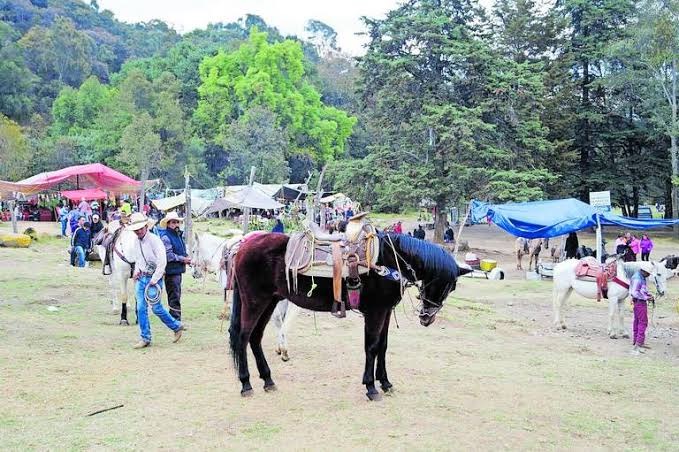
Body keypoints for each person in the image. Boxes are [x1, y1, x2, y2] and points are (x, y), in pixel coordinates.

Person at [127, 212, 185, 348]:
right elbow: (138, 259)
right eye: (136, 230)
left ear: (146, 226)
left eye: (140, 228)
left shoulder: (154, 240)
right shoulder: (136, 241)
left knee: (156, 308)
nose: (138, 231)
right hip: (142, 278)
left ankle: (176, 326)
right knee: (141, 307)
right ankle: (145, 337)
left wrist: (155, 279)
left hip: (154, 279)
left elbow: (162, 261)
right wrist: (136, 271)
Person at [158, 211, 191, 321]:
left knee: (176, 295)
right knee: (174, 296)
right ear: (168, 224)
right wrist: (184, 259)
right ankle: (175, 321)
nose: (176, 224)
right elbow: (169, 256)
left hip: (177, 270)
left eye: (177, 222)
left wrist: (186, 257)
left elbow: (180, 251)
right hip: (171, 271)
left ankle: (176, 320)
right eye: (173, 222)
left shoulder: (178, 235)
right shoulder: (166, 237)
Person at [629, 262, 655, 353]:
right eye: (648, 273)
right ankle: (639, 343)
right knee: (643, 322)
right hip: (640, 302)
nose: (648, 275)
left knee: (637, 321)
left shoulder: (641, 277)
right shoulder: (638, 278)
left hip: (638, 302)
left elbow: (641, 290)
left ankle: (636, 341)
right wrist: (646, 297)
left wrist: (647, 294)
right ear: (644, 271)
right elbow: (635, 293)